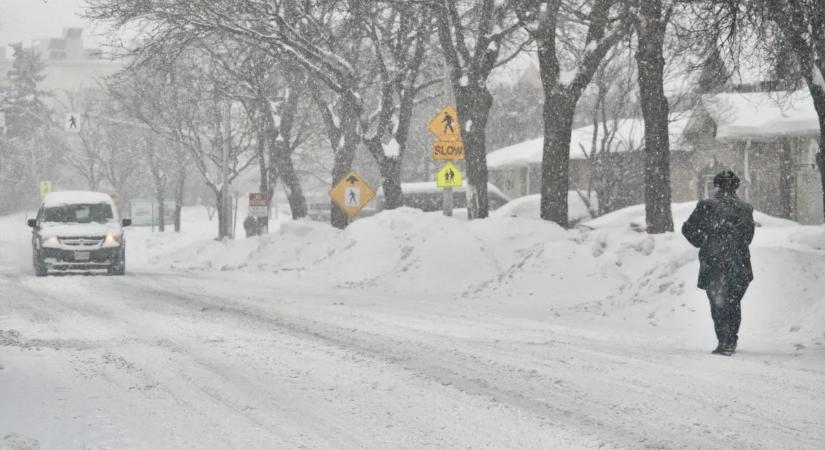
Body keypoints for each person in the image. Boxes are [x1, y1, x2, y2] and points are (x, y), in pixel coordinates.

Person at [682, 170, 754, 356]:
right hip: (739, 263)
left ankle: (725, 341)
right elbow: (748, 237)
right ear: (736, 186)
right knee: (733, 302)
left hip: (714, 262)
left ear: (717, 185)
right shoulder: (745, 208)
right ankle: (731, 338)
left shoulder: (706, 206)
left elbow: (687, 228)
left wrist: (703, 240)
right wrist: (734, 242)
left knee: (718, 303)